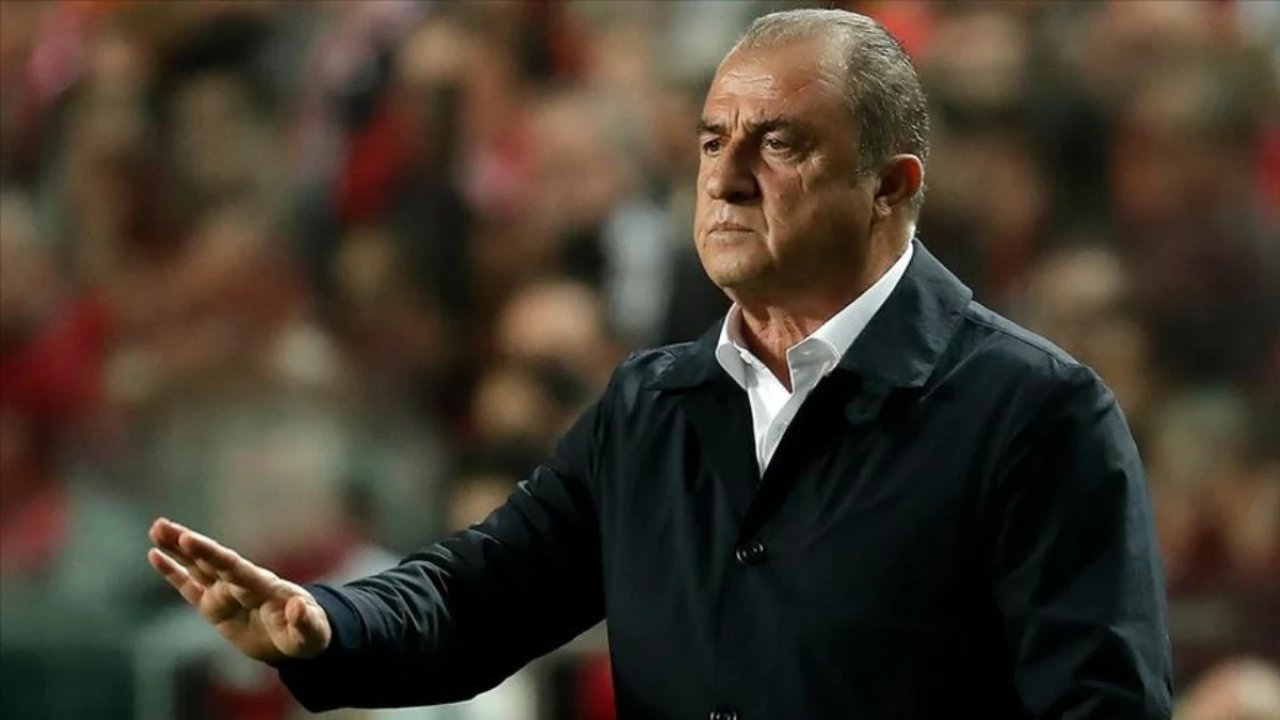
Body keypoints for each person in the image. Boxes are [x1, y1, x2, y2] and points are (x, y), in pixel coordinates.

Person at [148, 9, 1173, 719]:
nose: (725, 180)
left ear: (890, 187)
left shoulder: (1032, 414)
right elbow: (478, 597)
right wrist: (325, 623)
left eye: (778, 145)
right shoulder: (653, 406)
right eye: (711, 141)